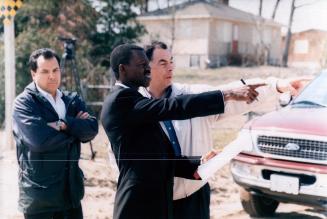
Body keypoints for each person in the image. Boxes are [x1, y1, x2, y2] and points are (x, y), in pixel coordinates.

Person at [142, 41, 308, 219]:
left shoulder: (192, 96)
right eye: (163, 63)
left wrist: (275, 85)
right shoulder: (134, 106)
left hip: (195, 197)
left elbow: (233, 93)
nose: (171, 67)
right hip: (154, 201)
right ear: (146, 67)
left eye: (172, 61)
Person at [100, 43, 265, 219]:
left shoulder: (135, 100)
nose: (148, 69)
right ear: (123, 69)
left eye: (148, 64)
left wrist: (197, 163)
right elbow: (173, 106)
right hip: (138, 206)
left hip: (157, 205)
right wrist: (226, 94)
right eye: (142, 65)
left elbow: (154, 158)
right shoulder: (121, 100)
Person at [12, 48, 98, 219]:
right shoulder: (24, 103)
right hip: (40, 198)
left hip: (71, 193)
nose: (52, 76)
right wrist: (75, 129)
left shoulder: (72, 99)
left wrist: (64, 125)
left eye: (55, 70)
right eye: (45, 71)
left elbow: (91, 130)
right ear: (33, 74)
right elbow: (39, 141)